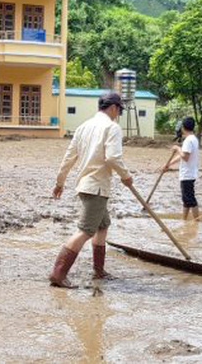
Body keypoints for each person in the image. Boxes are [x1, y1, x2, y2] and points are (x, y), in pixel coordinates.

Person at [49, 92, 133, 288]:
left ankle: (99, 271)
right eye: (119, 110)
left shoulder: (83, 127)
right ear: (113, 107)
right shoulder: (112, 127)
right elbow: (113, 158)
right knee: (86, 231)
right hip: (95, 186)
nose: (118, 114)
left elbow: (69, 157)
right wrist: (125, 175)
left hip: (88, 185)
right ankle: (58, 273)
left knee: (102, 225)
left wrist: (60, 182)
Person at [161, 116, 200, 220]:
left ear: (183, 127)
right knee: (186, 200)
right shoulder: (193, 139)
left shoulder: (189, 140)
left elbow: (185, 157)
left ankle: (197, 221)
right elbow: (183, 155)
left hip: (187, 174)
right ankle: (184, 220)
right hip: (189, 173)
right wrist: (169, 164)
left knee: (190, 199)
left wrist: (177, 148)